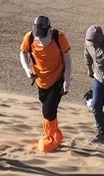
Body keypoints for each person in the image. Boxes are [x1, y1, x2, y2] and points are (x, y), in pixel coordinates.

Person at [19, 15, 72, 153]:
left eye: (42, 35)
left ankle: (51, 137)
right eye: (38, 35)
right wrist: (27, 70)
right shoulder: (30, 37)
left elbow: (68, 60)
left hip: (57, 80)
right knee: (46, 107)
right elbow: (23, 53)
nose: (40, 39)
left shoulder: (59, 37)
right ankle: (56, 135)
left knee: (48, 111)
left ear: (49, 29)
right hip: (40, 80)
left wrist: (66, 82)